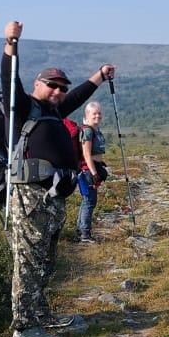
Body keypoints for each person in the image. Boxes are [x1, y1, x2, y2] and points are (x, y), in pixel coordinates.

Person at [1, 19, 115, 337]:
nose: (58, 91)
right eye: (52, 85)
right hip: (30, 195)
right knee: (28, 260)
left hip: (54, 197)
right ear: (38, 84)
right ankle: (23, 326)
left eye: (62, 87)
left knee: (47, 258)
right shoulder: (23, 108)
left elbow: (79, 95)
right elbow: (8, 78)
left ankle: (40, 313)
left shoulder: (55, 110)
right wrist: (11, 42)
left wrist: (99, 75)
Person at [75, 101, 108, 243]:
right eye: (94, 113)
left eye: (99, 113)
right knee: (89, 201)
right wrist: (94, 174)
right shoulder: (88, 131)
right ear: (87, 115)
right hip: (88, 170)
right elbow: (86, 154)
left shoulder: (96, 130)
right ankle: (85, 234)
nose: (97, 116)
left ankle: (80, 230)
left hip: (93, 168)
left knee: (88, 201)